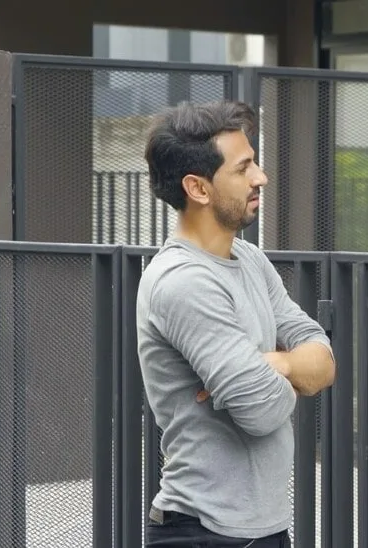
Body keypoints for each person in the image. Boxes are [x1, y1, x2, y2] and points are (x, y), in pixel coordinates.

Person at [136, 100, 336, 547]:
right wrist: (290, 369)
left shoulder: (249, 259)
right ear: (198, 188)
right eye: (243, 168)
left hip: (260, 528)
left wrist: (275, 364)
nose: (260, 177)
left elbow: (323, 358)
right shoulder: (183, 283)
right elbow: (262, 413)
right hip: (205, 531)